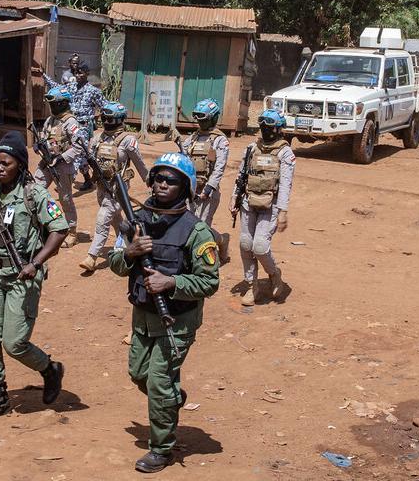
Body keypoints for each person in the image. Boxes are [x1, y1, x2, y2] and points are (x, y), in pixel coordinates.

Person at [108, 153, 220, 473]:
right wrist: (130, 252)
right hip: (143, 317)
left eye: (171, 180)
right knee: (138, 374)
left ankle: (162, 448)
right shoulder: (137, 221)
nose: (162, 184)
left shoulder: (196, 231)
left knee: (158, 383)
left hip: (177, 321)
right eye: (158, 177)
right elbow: (116, 264)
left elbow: (209, 282)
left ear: (185, 187)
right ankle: (171, 397)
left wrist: (171, 282)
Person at [0, 131, 67, 419]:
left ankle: (50, 369)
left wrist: (35, 263)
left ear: (19, 165)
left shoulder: (35, 194)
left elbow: (59, 229)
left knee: (14, 344)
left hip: (23, 275)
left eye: (6, 163)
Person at [230, 109, 295, 307]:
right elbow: (242, 175)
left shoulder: (285, 153)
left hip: (270, 205)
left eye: (270, 127)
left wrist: (283, 211)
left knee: (259, 246)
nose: (266, 130)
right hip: (248, 202)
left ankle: (274, 274)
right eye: (263, 126)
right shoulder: (251, 148)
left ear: (279, 129)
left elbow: (286, 184)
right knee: (245, 244)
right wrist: (234, 197)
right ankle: (252, 285)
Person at [80, 102, 148, 273]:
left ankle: (92, 257)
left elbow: (139, 163)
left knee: (103, 218)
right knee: (116, 219)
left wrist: (150, 180)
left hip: (118, 189)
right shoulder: (98, 138)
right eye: (104, 118)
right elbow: (89, 157)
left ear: (119, 119)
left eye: (109, 119)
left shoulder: (128, 140)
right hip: (101, 187)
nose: (106, 122)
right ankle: (128, 245)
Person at [32, 87, 84, 247]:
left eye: (54, 103)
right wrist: (38, 145)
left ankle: (72, 231)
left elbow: (79, 147)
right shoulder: (50, 120)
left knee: (65, 199)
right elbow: (44, 137)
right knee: (34, 191)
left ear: (62, 103)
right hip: (46, 163)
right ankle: (40, 226)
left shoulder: (71, 122)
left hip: (62, 167)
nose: (51, 106)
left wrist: (61, 158)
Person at [180, 99, 231, 261]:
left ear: (213, 118)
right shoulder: (192, 138)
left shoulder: (220, 140)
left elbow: (219, 167)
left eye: (204, 118)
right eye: (199, 118)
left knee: (201, 228)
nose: (201, 122)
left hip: (208, 192)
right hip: (190, 189)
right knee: (187, 224)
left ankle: (206, 258)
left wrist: (209, 188)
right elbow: (183, 160)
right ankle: (221, 240)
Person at [45, 63, 106, 191]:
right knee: (83, 154)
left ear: (87, 74)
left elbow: (105, 106)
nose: (78, 75)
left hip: (84, 126)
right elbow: (56, 87)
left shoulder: (94, 91)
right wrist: (44, 76)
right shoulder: (71, 87)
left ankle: (67, 181)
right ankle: (89, 179)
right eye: (76, 73)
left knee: (77, 151)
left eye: (81, 73)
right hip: (70, 123)